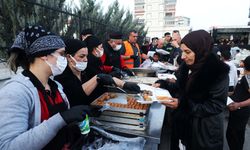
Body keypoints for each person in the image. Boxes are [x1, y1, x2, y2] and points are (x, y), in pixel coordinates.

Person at [0, 25, 98, 149]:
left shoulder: (56, 87)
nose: (64, 59)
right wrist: (61, 119)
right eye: (62, 54)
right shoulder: (15, 92)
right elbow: (7, 146)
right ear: (44, 54)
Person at [162, 30, 229, 150]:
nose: (182, 56)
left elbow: (216, 105)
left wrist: (182, 105)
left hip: (203, 132)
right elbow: (179, 86)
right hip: (183, 127)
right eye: (182, 51)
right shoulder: (187, 67)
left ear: (200, 50)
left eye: (187, 52)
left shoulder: (217, 72)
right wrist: (162, 84)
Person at [55, 39, 115, 106]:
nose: (86, 59)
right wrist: (96, 78)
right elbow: (76, 96)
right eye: (82, 56)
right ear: (69, 57)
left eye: (86, 56)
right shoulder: (62, 76)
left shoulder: (84, 72)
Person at [226, 56, 250, 150]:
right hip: (236, 112)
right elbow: (236, 92)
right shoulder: (245, 77)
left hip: (240, 112)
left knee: (235, 137)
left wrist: (238, 104)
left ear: (244, 64)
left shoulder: (248, 78)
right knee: (232, 135)